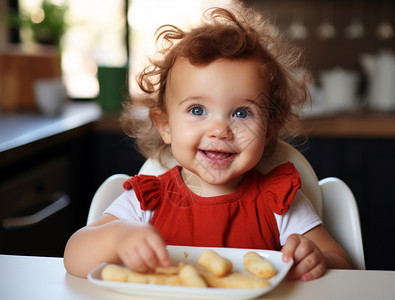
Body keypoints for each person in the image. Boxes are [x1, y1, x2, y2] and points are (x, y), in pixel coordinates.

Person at [64, 2, 352, 281]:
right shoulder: (145, 202)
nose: (219, 131)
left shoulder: (279, 203)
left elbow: (345, 268)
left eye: (242, 113)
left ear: (268, 130)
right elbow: (74, 256)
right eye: (197, 110)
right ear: (165, 126)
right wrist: (117, 238)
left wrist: (318, 259)